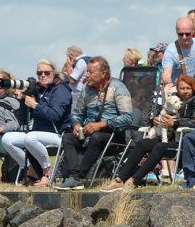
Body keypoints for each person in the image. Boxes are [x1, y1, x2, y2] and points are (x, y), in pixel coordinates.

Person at [102, 75, 195, 191]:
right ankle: (120, 179)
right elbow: (159, 113)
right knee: (143, 143)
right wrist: (154, 120)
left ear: (192, 88)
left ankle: (134, 180)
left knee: (160, 146)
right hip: (169, 138)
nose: (185, 91)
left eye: (188, 88)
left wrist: (174, 123)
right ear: (177, 89)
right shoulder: (172, 98)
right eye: (182, 88)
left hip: (185, 141)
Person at [55, 57, 135, 190]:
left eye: (91, 72)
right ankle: (74, 177)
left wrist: (101, 125)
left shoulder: (118, 87)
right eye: (87, 71)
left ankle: (80, 176)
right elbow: (77, 113)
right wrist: (76, 124)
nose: (87, 75)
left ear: (104, 74)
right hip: (88, 132)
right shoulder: (87, 89)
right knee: (67, 137)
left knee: (96, 137)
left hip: (113, 135)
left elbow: (127, 117)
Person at [0, 59, 73, 187]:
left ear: (54, 73)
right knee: (7, 139)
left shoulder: (61, 90)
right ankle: (31, 169)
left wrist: (35, 105)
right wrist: (23, 100)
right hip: (37, 134)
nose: (42, 75)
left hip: (58, 134)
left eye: (46, 72)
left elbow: (55, 116)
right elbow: (23, 118)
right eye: (39, 73)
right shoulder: (38, 90)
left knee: (30, 137)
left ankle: (47, 172)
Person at [161, 17, 195, 89]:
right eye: (181, 34)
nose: (184, 37)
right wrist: (169, 83)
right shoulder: (171, 50)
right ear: (176, 31)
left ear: (193, 31)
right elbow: (166, 72)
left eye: (187, 34)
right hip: (182, 90)